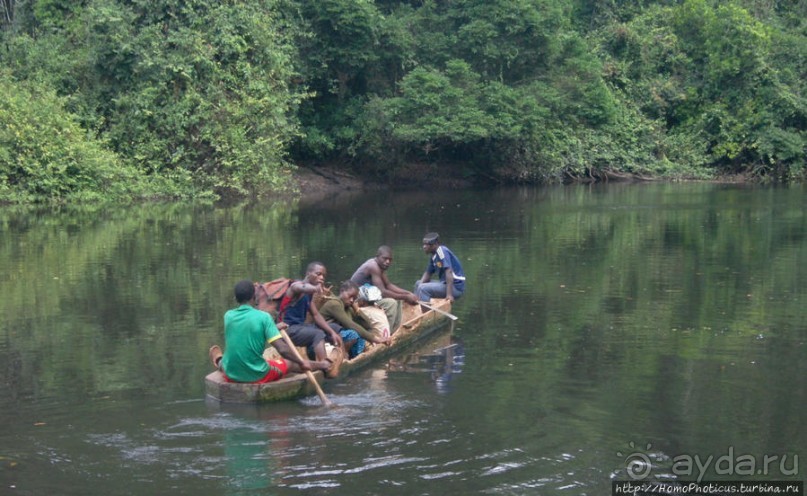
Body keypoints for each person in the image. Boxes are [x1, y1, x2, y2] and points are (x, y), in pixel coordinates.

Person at [208, 280, 332, 383]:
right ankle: (323, 365)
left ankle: (220, 360)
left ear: (235, 298)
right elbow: (283, 350)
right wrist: (301, 361)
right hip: (257, 375)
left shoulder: (228, 316)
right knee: (289, 363)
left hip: (231, 374)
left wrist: (274, 328)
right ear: (254, 296)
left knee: (227, 362)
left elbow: (247, 329)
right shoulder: (264, 317)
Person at [279, 261, 345, 377]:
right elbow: (303, 287)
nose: (321, 278)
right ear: (308, 274)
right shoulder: (295, 287)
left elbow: (315, 315)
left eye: (323, 276)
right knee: (317, 333)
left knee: (334, 328)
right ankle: (325, 367)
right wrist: (315, 288)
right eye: (318, 274)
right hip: (287, 330)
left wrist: (331, 332)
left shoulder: (309, 294)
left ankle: (343, 358)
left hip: (300, 328)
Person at [351, 245, 418, 332]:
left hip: (367, 297)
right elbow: (383, 292)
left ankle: (393, 331)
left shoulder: (379, 267)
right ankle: (385, 334)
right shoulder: (373, 266)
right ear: (377, 256)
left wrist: (408, 293)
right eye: (385, 258)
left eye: (390, 260)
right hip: (357, 301)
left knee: (398, 300)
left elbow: (389, 285)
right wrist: (405, 297)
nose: (387, 262)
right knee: (392, 303)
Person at [318, 280, 391, 358]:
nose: (352, 300)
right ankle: (343, 356)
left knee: (360, 333)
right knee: (354, 334)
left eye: (354, 298)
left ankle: (355, 357)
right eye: (350, 296)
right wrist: (376, 339)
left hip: (337, 334)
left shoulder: (348, 307)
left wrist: (356, 309)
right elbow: (350, 325)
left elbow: (368, 325)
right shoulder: (335, 304)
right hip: (324, 336)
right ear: (342, 291)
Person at [414, 232, 466, 302]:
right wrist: (419, 287)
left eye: (427, 244)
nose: (424, 247)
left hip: (455, 287)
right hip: (445, 283)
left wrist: (449, 294)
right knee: (418, 284)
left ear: (435, 244)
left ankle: (426, 312)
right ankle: (415, 306)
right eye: (424, 244)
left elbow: (449, 271)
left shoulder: (442, 251)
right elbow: (428, 273)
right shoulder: (433, 256)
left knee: (423, 289)